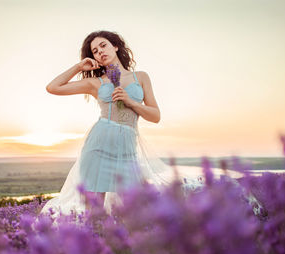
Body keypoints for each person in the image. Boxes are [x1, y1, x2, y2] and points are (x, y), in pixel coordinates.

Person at [39, 30, 205, 218]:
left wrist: (131, 102)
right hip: (98, 147)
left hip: (127, 148)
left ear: (115, 46)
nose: (100, 51)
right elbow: (53, 87)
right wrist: (79, 67)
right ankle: (97, 245)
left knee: (132, 209)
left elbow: (155, 116)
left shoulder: (140, 77)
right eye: (94, 51)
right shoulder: (95, 82)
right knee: (95, 213)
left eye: (103, 45)